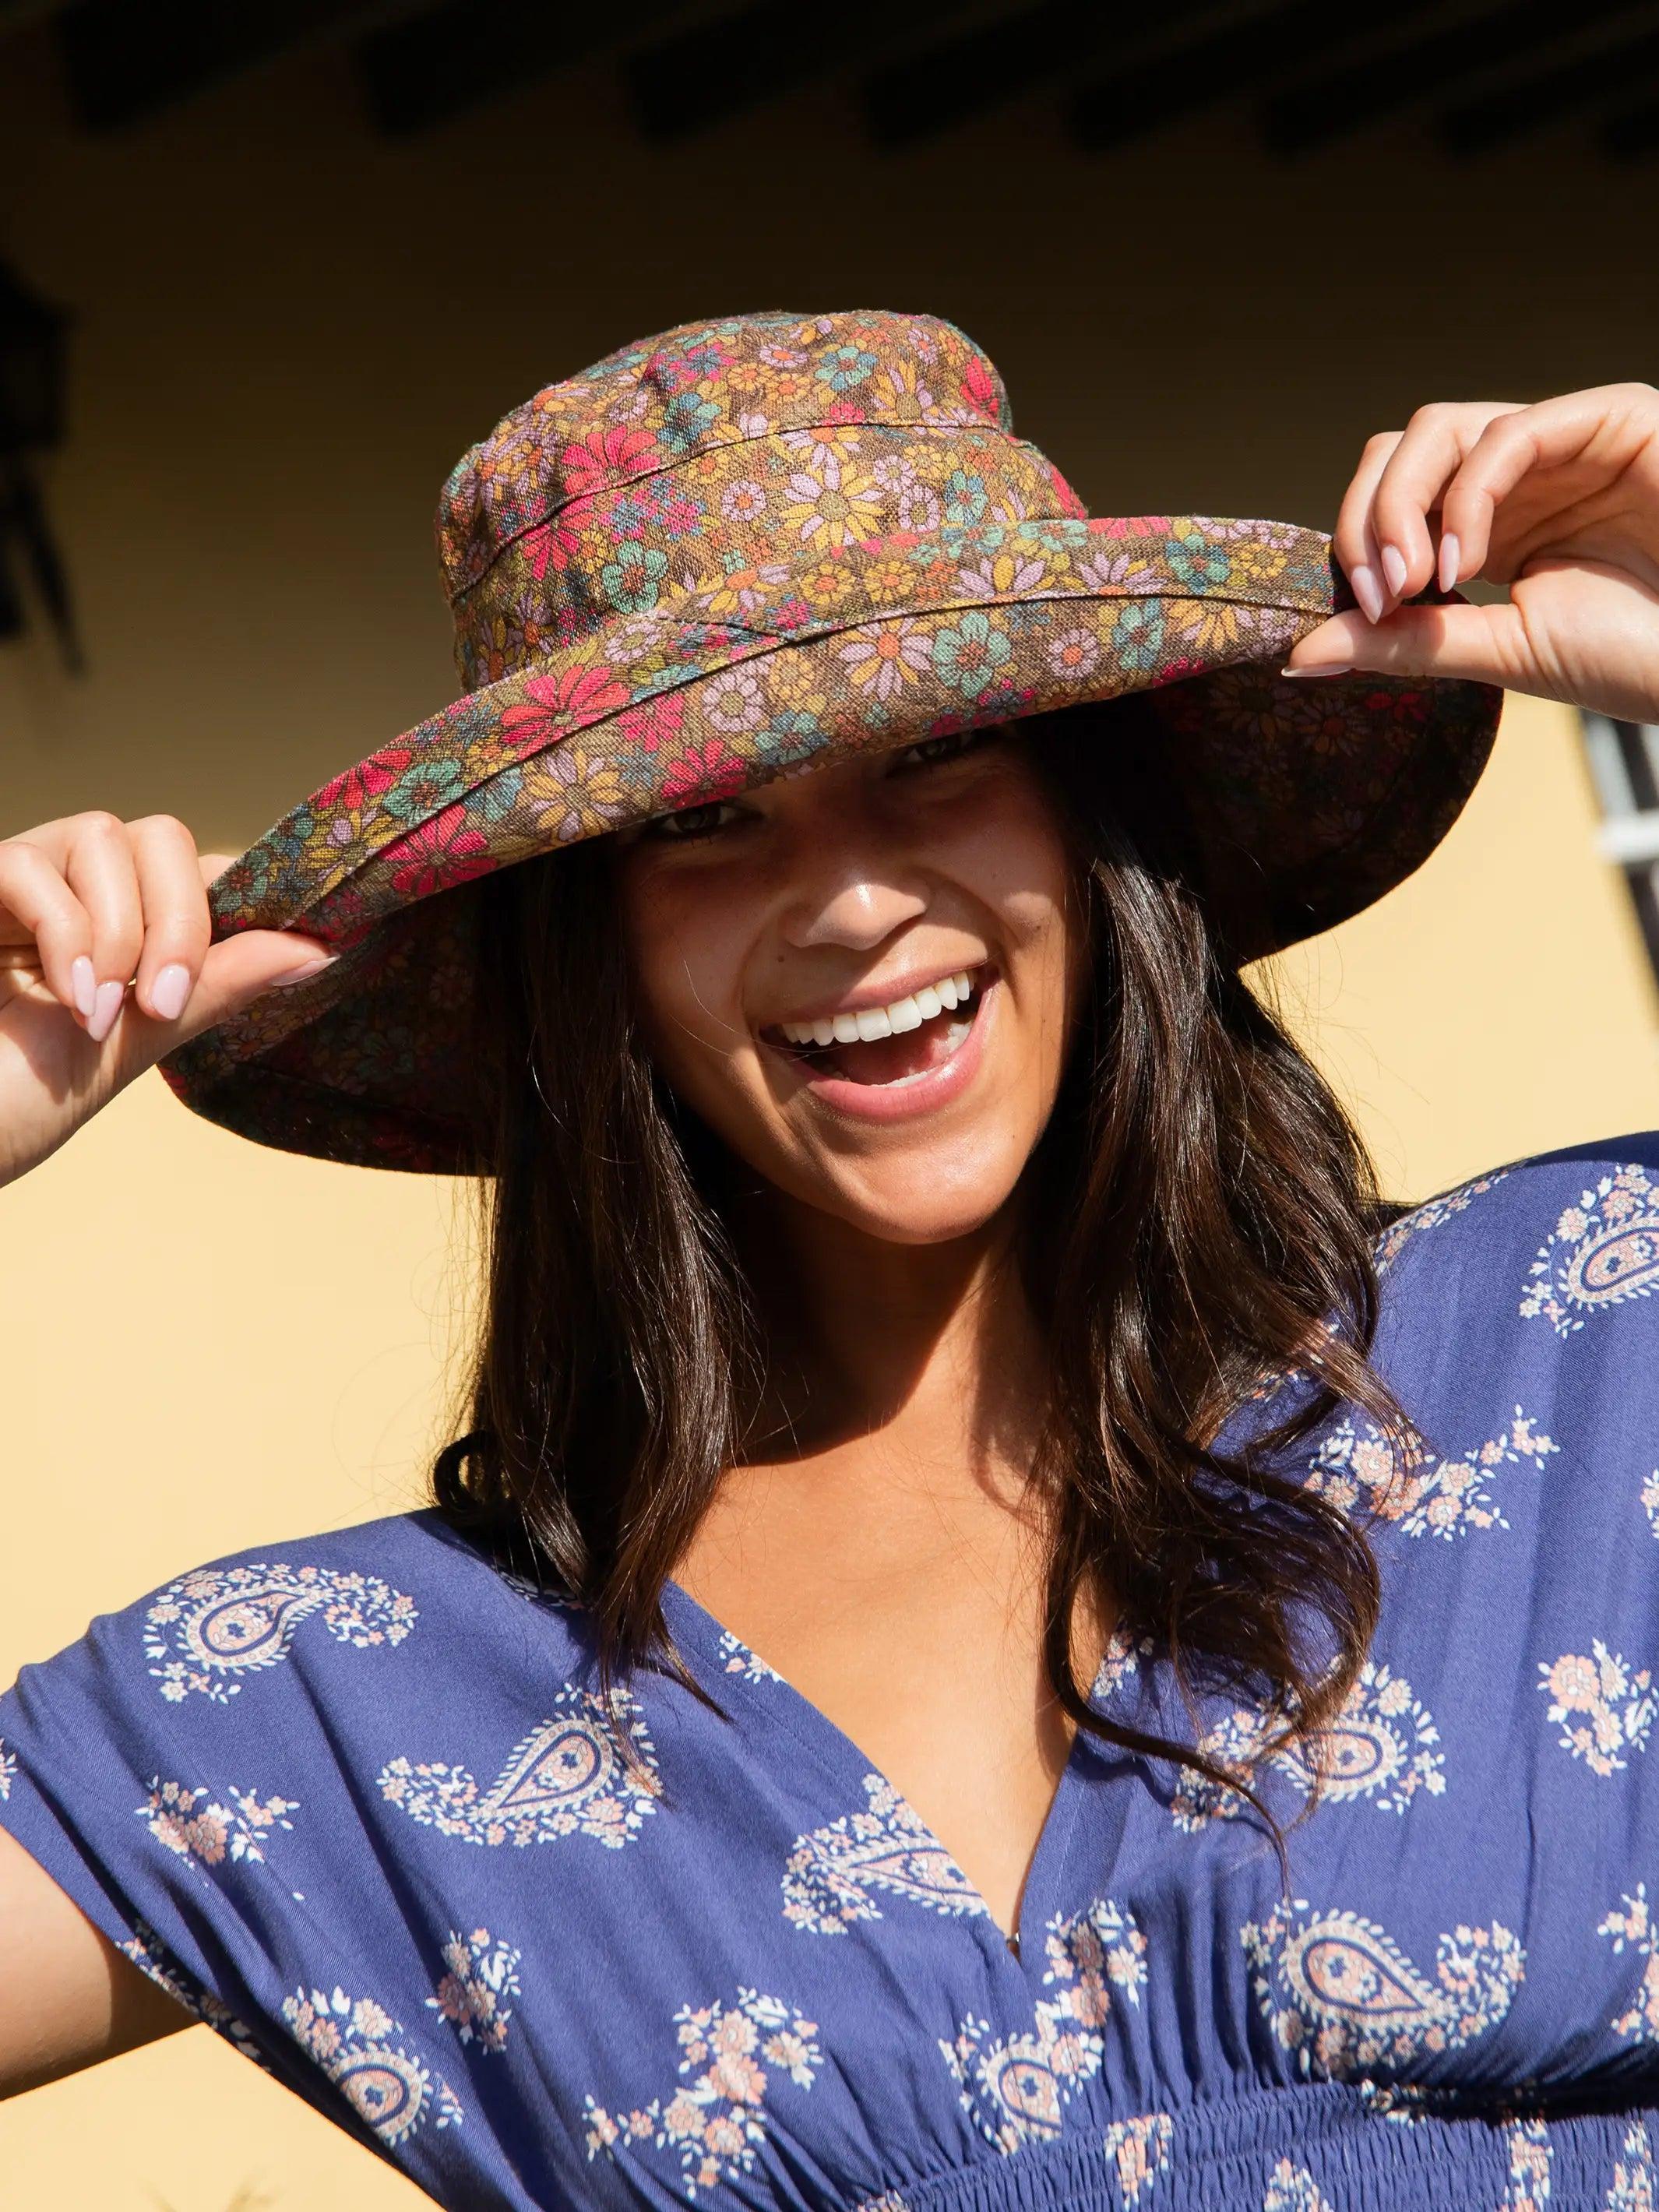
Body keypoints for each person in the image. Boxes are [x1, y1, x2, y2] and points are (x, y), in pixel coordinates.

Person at [0, 309, 1655, 2212]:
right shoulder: (359, 1702)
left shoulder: (1582, 1341)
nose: (856, 899)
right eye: (705, 820)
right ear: (588, 956)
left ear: (1089, 815)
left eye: (940, 756)